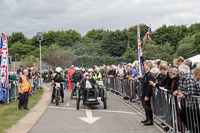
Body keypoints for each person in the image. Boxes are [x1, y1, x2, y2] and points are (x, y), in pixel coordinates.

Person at [173, 65, 199, 132]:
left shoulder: (189, 78)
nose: (178, 72)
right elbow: (180, 88)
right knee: (182, 114)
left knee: (196, 119)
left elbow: (191, 91)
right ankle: (193, 129)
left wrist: (183, 93)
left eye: (179, 71)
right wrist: (178, 91)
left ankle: (195, 130)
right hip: (186, 103)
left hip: (193, 104)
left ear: (182, 72)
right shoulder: (181, 78)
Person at [140, 60, 154, 126]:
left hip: (146, 92)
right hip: (144, 91)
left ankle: (150, 120)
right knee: (145, 106)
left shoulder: (149, 74)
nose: (144, 67)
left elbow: (149, 86)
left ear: (148, 66)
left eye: (145, 66)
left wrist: (147, 95)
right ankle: (147, 118)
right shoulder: (146, 73)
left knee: (147, 106)